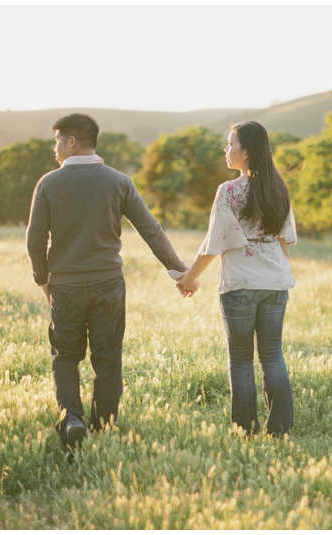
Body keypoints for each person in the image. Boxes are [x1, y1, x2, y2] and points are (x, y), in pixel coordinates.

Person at [26, 113, 191, 449]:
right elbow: (150, 230)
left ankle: (71, 418)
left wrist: (43, 281)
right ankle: (102, 427)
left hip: (66, 286)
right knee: (107, 357)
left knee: (66, 355)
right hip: (109, 285)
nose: (54, 149)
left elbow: (34, 240)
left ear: (72, 141)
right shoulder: (119, 181)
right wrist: (178, 270)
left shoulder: (48, 183)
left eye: (57, 141)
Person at [176, 121, 297, 437]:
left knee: (241, 360)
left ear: (247, 152)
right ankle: (280, 430)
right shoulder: (279, 188)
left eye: (230, 144)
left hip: (240, 284)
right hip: (276, 282)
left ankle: (245, 430)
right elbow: (285, 241)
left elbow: (212, 244)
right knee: (272, 356)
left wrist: (189, 279)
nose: (225, 150)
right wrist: (278, 274)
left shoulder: (228, 191)